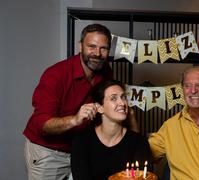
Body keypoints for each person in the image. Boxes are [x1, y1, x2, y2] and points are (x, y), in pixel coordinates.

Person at [23, 23, 138, 180]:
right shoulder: (56, 75)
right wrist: (75, 120)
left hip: (82, 150)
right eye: (92, 46)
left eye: (103, 48)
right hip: (49, 151)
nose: (97, 53)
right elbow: (41, 124)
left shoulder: (106, 72)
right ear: (80, 46)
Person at [71, 80, 151, 180]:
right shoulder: (81, 141)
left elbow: (145, 177)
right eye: (113, 98)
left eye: (123, 97)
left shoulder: (139, 142)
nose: (122, 103)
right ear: (99, 108)